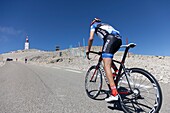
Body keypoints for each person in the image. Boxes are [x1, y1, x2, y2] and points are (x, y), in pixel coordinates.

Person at [86, 18, 122, 102]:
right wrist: (102, 50)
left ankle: (114, 93)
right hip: (118, 39)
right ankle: (116, 71)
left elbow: (91, 38)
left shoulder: (93, 26)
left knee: (106, 66)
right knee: (108, 59)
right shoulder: (105, 25)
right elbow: (105, 40)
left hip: (110, 39)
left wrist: (88, 50)